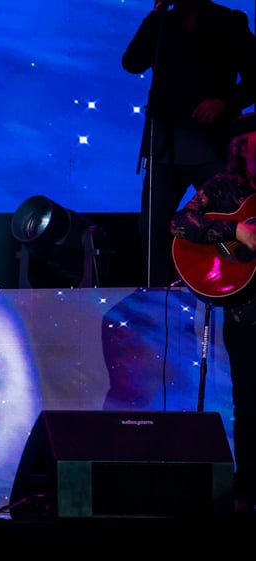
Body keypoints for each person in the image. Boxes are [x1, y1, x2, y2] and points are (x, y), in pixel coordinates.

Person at [122, 0, 256, 287]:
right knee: (152, 228)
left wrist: (225, 103)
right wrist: (156, 14)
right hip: (166, 146)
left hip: (213, 145)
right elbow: (132, 63)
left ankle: (230, 289)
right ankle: (156, 299)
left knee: (230, 222)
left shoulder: (229, 21)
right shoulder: (163, 24)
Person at [171, 111, 256, 516]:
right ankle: (247, 488)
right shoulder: (225, 186)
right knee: (249, 405)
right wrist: (233, 233)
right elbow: (180, 222)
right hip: (246, 315)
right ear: (242, 148)